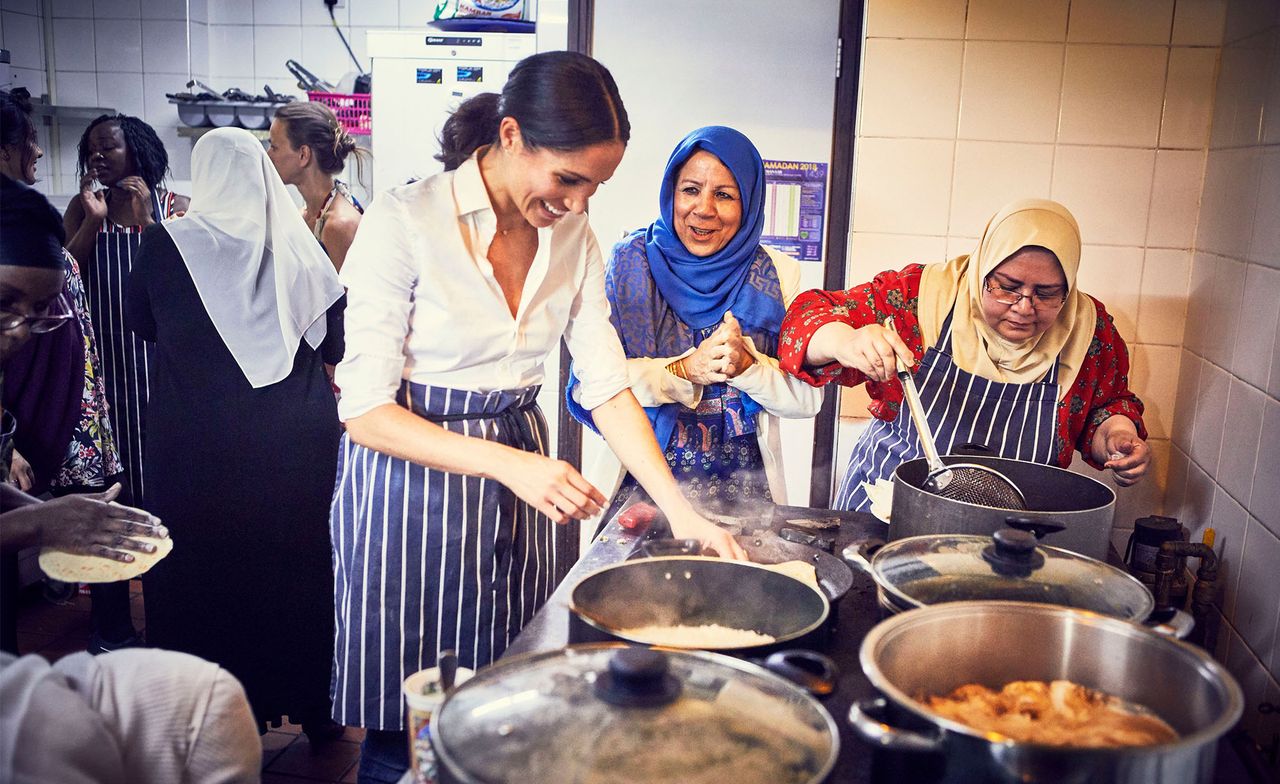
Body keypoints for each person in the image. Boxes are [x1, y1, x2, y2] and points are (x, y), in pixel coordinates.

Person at [332, 51, 744, 783]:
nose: (580, 203)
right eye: (568, 180)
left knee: (508, 699)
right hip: (409, 486)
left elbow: (608, 384)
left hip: (520, 473)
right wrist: (510, 463)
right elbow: (364, 411)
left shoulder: (572, 240)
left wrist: (683, 513)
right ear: (512, 135)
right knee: (412, 726)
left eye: (596, 186)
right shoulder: (406, 220)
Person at [126, 127, 346, 737]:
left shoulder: (166, 242)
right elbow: (334, 343)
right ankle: (316, 708)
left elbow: (138, 321)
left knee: (199, 566)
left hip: (196, 441)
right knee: (299, 565)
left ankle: (201, 716)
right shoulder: (300, 246)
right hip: (294, 441)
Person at [778, 198, 1150, 512]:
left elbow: (1106, 404)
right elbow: (804, 319)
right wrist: (845, 341)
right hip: (888, 509)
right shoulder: (917, 298)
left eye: (1047, 293)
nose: (1023, 307)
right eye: (1006, 287)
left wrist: (1116, 435)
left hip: (1008, 534)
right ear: (982, 269)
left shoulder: (1088, 329)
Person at [568, 126, 822, 514]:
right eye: (690, 190)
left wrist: (749, 367)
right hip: (641, 485)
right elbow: (593, 387)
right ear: (671, 192)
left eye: (724, 195)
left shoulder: (777, 274)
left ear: (750, 203)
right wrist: (685, 369)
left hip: (746, 491)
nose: (703, 208)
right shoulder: (629, 264)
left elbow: (806, 400)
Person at [0, 88, 138, 655]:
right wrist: (45, 522)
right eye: (7, 305)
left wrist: (54, 514)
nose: (18, 332)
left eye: (37, 316)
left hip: (84, 399)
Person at [62, 113, 188, 510]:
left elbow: (188, 281)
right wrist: (93, 222)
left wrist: (148, 222)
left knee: (167, 466)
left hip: (162, 361)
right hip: (104, 363)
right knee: (115, 471)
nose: (98, 156)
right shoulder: (83, 209)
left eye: (109, 147)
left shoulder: (174, 207)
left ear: (135, 150)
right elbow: (65, 277)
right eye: (92, 149)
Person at [266, 101, 367, 271]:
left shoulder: (339, 226)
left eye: (274, 147)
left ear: (303, 155)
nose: (268, 155)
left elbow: (351, 297)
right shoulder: (305, 215)